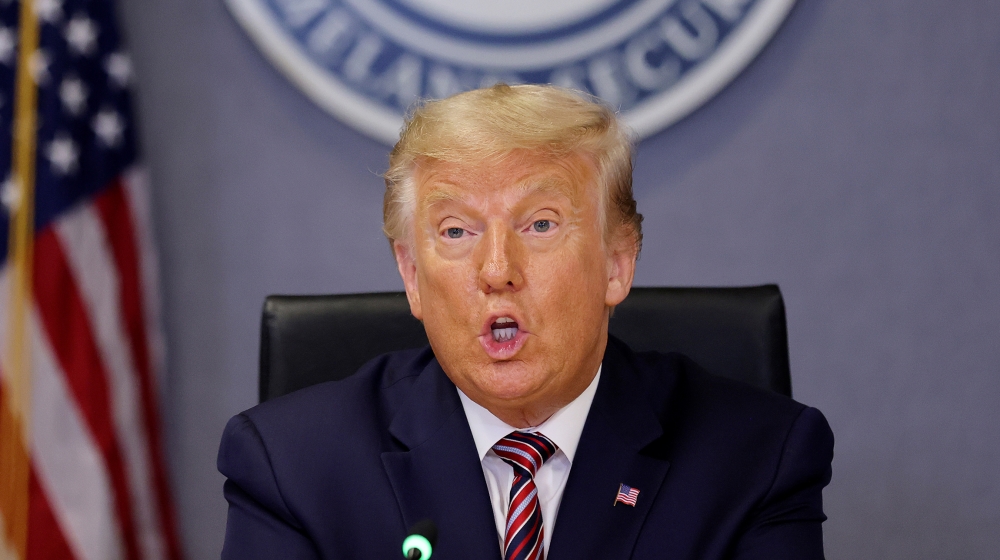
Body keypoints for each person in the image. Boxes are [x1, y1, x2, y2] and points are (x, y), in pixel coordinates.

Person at [217, 84, 834, 560]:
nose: (496, 269)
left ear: (617, 263)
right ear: (411, 275)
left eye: (539, 224)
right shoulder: (293, 467)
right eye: (455, 231)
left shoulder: (756, 460)